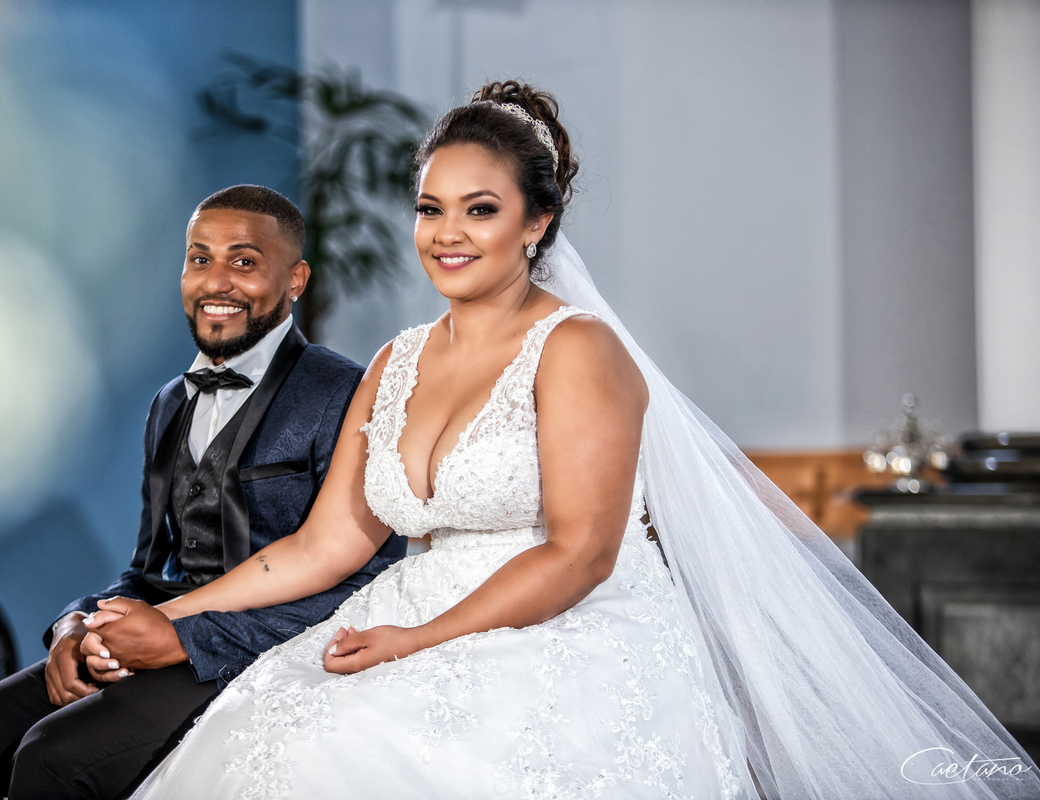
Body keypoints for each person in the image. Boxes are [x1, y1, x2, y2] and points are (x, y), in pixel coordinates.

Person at [123, 84, 1039, 799]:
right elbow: (323, 545)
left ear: (537, 223)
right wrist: (175, 617)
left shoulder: (577, 351)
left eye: (480, 210)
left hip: (560, 627)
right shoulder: (395, 361)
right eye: (430, 209)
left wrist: (416, 642)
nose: (447, 234)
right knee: (255, 743)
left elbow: (581, 553)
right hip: (400, 615)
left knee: (345, 756)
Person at [0, 185, 406, 800]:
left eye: (244, 261)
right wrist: (75, 626)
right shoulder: (169, 403)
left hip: (261, 650)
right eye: (200, 259)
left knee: (54, 760)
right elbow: (148, 571)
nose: (216, 281)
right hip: (165, 629)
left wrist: (181, 638)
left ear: (295, 280)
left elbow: (363, 581)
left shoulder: (347, 394)